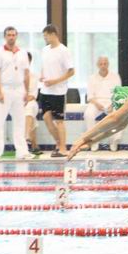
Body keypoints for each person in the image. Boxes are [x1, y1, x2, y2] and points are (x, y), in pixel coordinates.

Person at [0, 27, 32, 160]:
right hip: (4, 89)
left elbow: (26, 74)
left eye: (13, 35)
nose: (11, 37)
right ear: (5, 37)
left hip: (19, 90)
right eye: (9, 35)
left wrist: (27, 91)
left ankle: (22, 152)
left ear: (16, 36)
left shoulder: (23, 53)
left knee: (20, 122)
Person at [39, 25, 75, 157]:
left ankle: (63, 149)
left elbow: (71, 72)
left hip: (58, 91)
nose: (45, 38)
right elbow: (44, 66)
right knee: (46, 118)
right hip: (45, 91)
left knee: (59, 121)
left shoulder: (64, 51)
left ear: (53, 34)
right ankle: (59, 143)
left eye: (46, 36)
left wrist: (55, 81)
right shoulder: (45, 50)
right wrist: (42, 75)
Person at [84, 56, 122, 152]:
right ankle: (93, 140)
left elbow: (118, 94)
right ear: (97, 65)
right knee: (88, 114)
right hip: (96, 102)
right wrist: (97, 104)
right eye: (101, 64)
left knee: (119, 113)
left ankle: (114, 141)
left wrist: (112, 104)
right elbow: (90, 96)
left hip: (111, 101)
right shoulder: (92, 78)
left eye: (105, 64)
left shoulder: (115, 76)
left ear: (108, 64)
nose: (103, 66)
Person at [24, 52, 42, 155]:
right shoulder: (15, 76)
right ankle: (35, 146)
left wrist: (25, 100)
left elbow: (33, 95)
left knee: (30, 108)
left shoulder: (34, 76)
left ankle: (26, 136)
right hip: (18, 103)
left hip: (31, 102)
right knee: (32, 120)